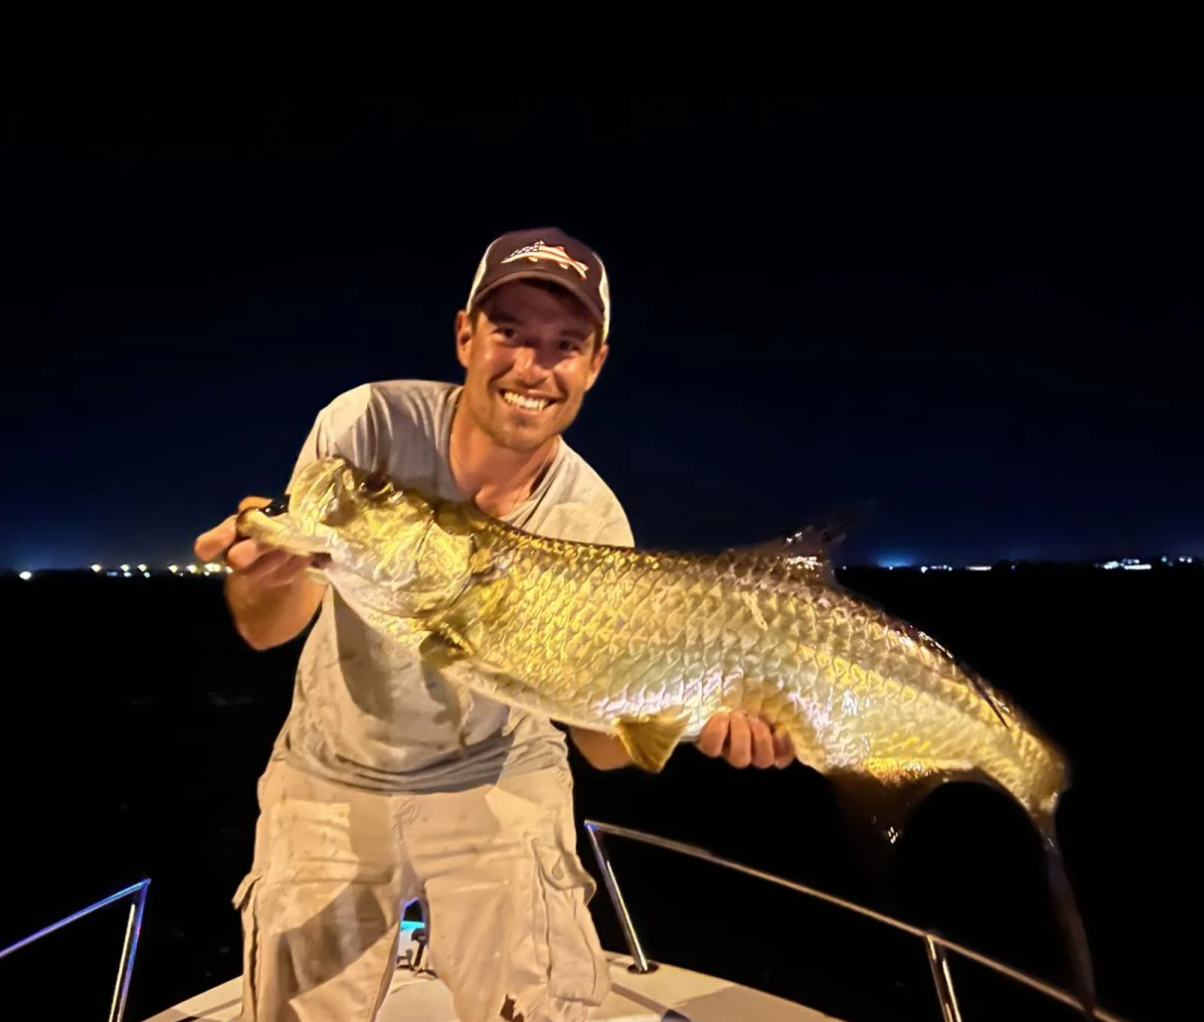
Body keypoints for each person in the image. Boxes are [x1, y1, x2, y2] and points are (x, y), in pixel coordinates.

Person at [194, 227, 794, 1022]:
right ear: (465, 335)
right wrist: (263, 568)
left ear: (594, 364)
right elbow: (267, 628)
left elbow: (604, 747)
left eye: (564, 344)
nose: (532, 367)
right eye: (509, 331)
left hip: (502, 775)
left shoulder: (591, 519)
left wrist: (701, 717)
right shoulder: (366, 426)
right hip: (330, 769)